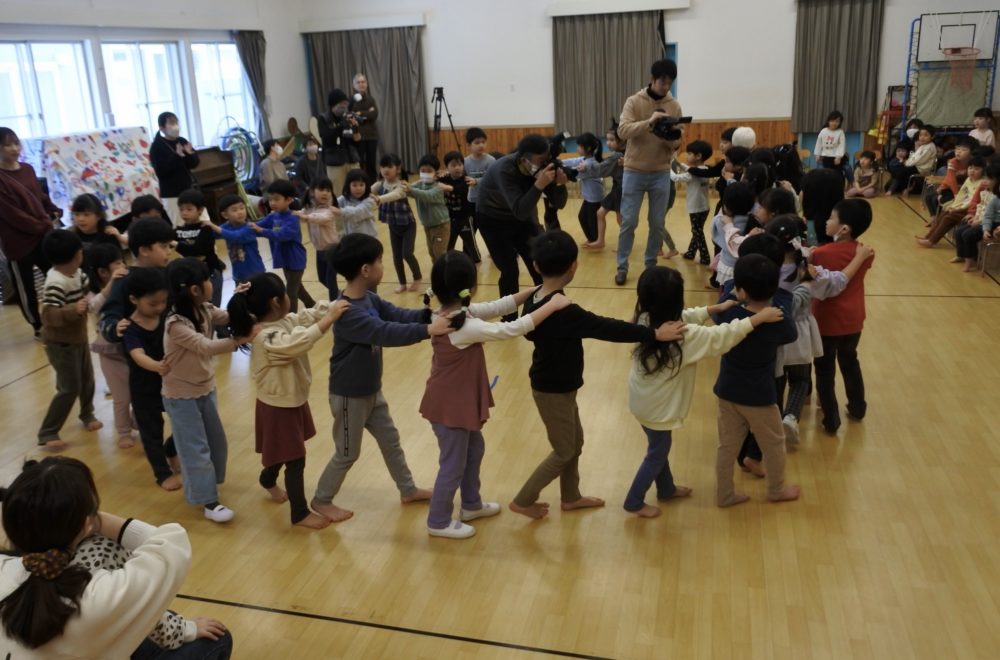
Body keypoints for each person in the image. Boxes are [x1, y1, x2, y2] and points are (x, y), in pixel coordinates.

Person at [509, 230, 685, 520]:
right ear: (574, 266)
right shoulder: (563, 310)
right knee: (564, 451)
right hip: (552, 390)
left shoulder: (537, 298)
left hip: (560, 384)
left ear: (536, 266)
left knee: (574, 444)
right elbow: (607, 328)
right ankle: (523, 500)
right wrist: (653, 333)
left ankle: (571, 497)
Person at [0, 456, 232, 658]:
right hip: (99, 624)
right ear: (87, 522)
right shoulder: (103, 594)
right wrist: (93, 520)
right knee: (217, 640)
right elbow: (171, 542)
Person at [420, 251, 570, 538]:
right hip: (449, 407)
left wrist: (537, 291)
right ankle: (437, 521)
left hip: (457, 402)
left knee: (474, 450)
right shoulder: (463, 325)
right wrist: (552, 305)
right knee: (452, 465)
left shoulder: (454, 313)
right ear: (470, 286)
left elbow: (498, 306)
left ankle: (471, 504)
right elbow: (511, 328)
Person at [310, 234, 452, 522]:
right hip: (349, 396)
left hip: (371, 391)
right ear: (365, 270)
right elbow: (384, 332)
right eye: (379, 261)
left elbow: (395, 314)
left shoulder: (369, 298)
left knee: (391, 441)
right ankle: (322, 500)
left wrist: (427, 316)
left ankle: (408, 490)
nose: (382, 265)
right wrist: (428, 330)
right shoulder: (347, 312)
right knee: (347, 453)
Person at [625, 266, 783, 517]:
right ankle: (634, 501)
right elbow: (721, 336)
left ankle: (666, 489)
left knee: (658, 447)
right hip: (657, 408)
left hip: (642, 401)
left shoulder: (644, 318)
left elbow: (684, 316)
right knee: (657, 453)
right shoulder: (684, 336)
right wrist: (757, 319)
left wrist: (713, 309)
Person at [227, 273, 350, 529]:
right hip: (277, 406)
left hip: (289, 399)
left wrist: (338, 302)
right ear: (276, 301)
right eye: (285, 294)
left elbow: (307, 316)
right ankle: (299, 513)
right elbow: (297, 342)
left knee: (282, 449)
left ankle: (267, 478)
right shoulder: (266, 336)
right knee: (295, 458)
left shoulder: (283, 321)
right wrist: (329, 319)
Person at [161, 258, 252, 522]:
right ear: (194, 289)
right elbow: (206, 346)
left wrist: (242, 299)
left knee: (216, 443)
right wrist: (241, 340)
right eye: (208, 280)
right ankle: (208, 501)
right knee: (196, 449)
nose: (212, 283)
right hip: (180, 396)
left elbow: (227, 316)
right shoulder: (176, 324)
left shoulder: (203, 308)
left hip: (205, 388)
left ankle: (189, 465)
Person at [713, 253, 801, 507]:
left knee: (727, 446)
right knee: (774, 443)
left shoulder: (729, 315)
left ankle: (724, 494)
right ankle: (776, 490)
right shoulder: (776, 321)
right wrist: (779, 302)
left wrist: (733, 290)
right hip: (759, 396)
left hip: (727, 391)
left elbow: (721, 307)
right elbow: (791, 333)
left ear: (741, 290)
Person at [476, 134, 568, 317]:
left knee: (540, 262)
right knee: (510, 270)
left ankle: (551, 311)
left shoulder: (539, 168)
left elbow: (559, 204)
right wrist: (539, 184)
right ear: (524, 159)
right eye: (541, 160)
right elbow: (520, 210)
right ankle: (509, 320)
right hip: (492, 220)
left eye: (547, 158)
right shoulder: (504, 169)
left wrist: (559, 185)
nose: (545, 163)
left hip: (520, 218)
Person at [614, 59, 683, 286]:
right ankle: (622, 267)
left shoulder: (674, 106)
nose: (666, 87)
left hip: (661, 171)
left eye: (670, 82)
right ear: (652, 79)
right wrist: (650, 122)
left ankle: (650, 266)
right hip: (634, 170)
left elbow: (678, 142)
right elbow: (623, 131)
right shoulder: (634, 101)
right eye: (663, 82)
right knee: (629, 221)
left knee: (657, 223)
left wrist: (669, 137)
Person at [811, 199, 875, 434]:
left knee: (824, 369)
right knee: (850, 361)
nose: (827, 221)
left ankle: (831, 419)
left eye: (831, 218)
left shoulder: (820, 253)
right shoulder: (866, 253)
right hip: (853, 318)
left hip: (827, 320)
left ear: (844, 228)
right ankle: (857, 407)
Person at [36, 230, 101, 450]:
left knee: (87, 379)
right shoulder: (55, 282)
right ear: (77, 254)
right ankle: (48, 431)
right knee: (69, 387)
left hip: (78, 338)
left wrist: (93, 300)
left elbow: (88, 294)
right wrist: (74, 309)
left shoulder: (78, 274)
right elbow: (48, 316)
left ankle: (87, 413)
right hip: (60, 344)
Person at [121, 267, 182, 491]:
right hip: (144, 389)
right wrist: (157, 366)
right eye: (152, 303)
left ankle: (171, 450)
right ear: (134, 300)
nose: (159, 307)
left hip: (171, 383)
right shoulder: (130, 328)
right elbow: (137, 355)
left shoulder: (167, 317)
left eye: (163, 302)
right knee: (151, 432)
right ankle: (162, 473)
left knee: (184, 422)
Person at [0, 126, 58, 337]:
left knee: (54, 275)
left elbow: (39, 196)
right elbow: (12, 214)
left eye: (16, 143)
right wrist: (42, 225)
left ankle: (58, 316)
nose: (14, 148)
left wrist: (52, 209)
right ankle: (38, 326)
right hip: (18, 243)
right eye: (7, 145)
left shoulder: (27, 169)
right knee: (26, 288)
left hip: (41, 237)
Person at [84, 243, 133, 449]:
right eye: (117, 263)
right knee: (121, 397)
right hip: (109, 352)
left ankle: (136, 421)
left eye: (122, 261)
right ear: (103, 272)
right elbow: (93, 306)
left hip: (131, 346)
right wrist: (112, 283)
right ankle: (123, 432)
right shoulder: (92, 292)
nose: (123, 266)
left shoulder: (126, 285)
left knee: (140, 391)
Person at [97, 217, 175, 345]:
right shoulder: (125, 279)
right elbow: (109, 315)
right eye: (164, 246)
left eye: (169, 246)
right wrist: (114, 329)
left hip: (172, 345)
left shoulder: (169, 273)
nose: (169, 252)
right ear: (144, 250)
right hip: (141, 350)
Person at [174, 189, 228, 337]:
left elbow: (198, 250)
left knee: (213, 308)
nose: (184, 213)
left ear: (200, 210)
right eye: (181, 209)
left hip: (211, 274)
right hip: (195, 278)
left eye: (189, 209)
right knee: (200, 308)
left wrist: (177, 245)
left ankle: (224, 335)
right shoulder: (178, 230)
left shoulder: (205, 228)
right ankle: (206, 337)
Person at [255, 180, 315, 312]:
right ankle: (312, 305)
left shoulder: (292, 218)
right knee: (297, 288)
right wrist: (243, 227)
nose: (272, 203)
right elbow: (258, 225)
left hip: (295, 260)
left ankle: (291, 318)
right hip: (285, 259)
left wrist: (261, 231)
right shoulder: (273, 216)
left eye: (276, 199)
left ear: (289, 200)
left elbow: (281, 235)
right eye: (270, 199)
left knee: (291, 292)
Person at [372, 153, 422, 292]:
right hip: (393, 226)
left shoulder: (402, 185)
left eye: (389, 166)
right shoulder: (380, 184)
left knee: (407, 253)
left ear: (398, 169)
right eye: (383, 167)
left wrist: (379, 198)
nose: (385, 170)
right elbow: (367, 191)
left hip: (407, 225)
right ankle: (402, 283)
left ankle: (417, 277)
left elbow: (395, 195)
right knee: (396, 256)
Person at [917, 156, 985, 247]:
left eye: (976, 169)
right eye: (970, 168)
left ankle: (932, 241)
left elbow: (973, 200)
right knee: (944, 213)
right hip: (961, 207)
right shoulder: (968, 179)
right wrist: (953, 205)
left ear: (983, 171)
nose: (972, 171)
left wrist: (957, 209)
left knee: (948, 218)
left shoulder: (982, 183)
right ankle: (928, 237)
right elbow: (961, 195)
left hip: (970, 210)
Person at [148, 112, 200, 223]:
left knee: (201, 222)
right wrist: (176, 156)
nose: (175, 126)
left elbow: (194, 164)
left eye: (176, 122)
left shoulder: (182, 141)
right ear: (162, 128)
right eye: (171, 123)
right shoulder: (157, 146)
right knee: (180, 225)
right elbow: (161, 171)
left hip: (188, 189)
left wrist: (190, 154)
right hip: (172, 194)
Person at [297, 178, 343, 298]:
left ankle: (335, 304)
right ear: (312, 192)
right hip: (319, 249)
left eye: (328, 190)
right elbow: (301, 215)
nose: (325, 193)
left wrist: (306, 217)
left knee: (330, 279)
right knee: (322, 279)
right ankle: (341, 295)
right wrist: (286, 214)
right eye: (321, 189)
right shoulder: (309, 208)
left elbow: (321, 218)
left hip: (333, 249)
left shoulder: (329, 209)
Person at [670, 140, 713, 264]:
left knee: (697, 232)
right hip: (705, 207)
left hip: (696, 208)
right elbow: (688, 168)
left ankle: (705, 257)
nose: (687, 156)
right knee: (697, 231)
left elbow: (675, 178)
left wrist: (668, 168)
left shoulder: (692, 174)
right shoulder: (705, 169)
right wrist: (678, 163)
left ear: (698, 156)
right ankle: (691, 253)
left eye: (689, 153)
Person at [559, 132, 605, 245]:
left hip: (594, 197)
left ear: (588, 148)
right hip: (590, 197)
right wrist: (559, 162)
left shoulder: (589, 164)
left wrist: (560, 169)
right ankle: (592, 239)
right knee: (583, 217)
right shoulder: (585, 159)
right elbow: (573, 161)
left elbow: (575, 173)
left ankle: (595, 240)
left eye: (579, 146)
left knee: (590, 219)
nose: (577, 148)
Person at [953, 163, 1000, 272]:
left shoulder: (995, 197)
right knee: (959, 232)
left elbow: (989, 216)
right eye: (985, 178)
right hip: (986, 222)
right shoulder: (987, 193)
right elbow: (984, 211)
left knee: (968, 234)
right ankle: (962, 255)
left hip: (994, 224)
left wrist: (982, 225)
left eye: (989, 179)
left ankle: (971, 261)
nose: (985, 181)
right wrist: (977, 219)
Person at [439, 151, 481, 263]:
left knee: (471, 245)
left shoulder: (466, 180)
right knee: (448, 245)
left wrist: (447, 188)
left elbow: (460, 189)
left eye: (460, 164)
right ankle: (448, 261)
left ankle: (476, 260)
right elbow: (434, 181)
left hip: (465, 218)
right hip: (450, 219)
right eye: (453, 165)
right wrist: (437, 177)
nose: (457, 168)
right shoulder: (445, 179)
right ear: (447, 167)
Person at [408, 154, 451, 262]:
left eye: (429, 171)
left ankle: (443, 271)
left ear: (436, 173)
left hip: (441, 225)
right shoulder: (419, 185)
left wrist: (411, 188)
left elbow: (427, 196)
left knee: (439, 253)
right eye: (423, 171)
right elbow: (408, 192)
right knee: (432, 253)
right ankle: (437, 270)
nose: (425, 173)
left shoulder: (439, 186)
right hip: (427, 225)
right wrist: (412, 185)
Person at [590, 124, 627, 250]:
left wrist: (588, 165)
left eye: (612, 140)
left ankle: (624, 245)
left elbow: (602, 170)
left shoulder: (618, 155)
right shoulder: (620, 154)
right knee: (600, 213)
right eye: (607, 139)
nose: (608, 143)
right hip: (617, 188)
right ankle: (600, 241)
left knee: (620, 219)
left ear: (622, 141)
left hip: (621, 190)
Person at [317, 89, 361, 196]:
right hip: (335, 162)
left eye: (345, 104)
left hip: (351, 159)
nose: (344, 107)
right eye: (341, 104)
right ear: (333, 104)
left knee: (357, 191)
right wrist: (341, 126)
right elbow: (327, 139)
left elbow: (357, 142)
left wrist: (355, 128)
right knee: (338, 193)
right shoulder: (323, 118)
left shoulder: (347, 117)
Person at [218, 194, 266, 283]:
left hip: (256, 273)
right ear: (225, 215)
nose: (240, 212)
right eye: (234, 210)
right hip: (238, 275)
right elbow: (210, 234)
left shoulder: (250, 227)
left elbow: (235, 236)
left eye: (242, 208)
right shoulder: (226, 227)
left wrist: (214, 227)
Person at [925, 136, 977, 215]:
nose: (958, 152)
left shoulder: (974, 163)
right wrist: (956, 194)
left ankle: (940, 216)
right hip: (952, 188)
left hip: (966, 189)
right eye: (957, 149)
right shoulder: (952, 162)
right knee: (928, 198)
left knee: (939, 200)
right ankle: (934, 218)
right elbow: (951, 180)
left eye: (963, 150)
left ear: (972, 152)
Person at [69, 193, 126, 260]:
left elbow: (118, 261)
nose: (80, 219)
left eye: (86, 214)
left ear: (99, 216)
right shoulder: (72, 238)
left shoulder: (108, 234)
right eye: (76, 214)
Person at [886, 125, 937, 196]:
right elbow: (914, 157)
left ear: (932, 136)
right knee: (897, 169)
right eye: (920, 135)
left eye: (926, 135)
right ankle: (899, 187)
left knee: (901, 172)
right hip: (916, 166)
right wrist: (906, 162)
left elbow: (919, 160)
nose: (922, 137)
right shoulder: (923, 146)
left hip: (921, 169)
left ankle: (905, 188)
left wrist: (906, 163)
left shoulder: (930, 147)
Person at [800, 167, 844, 245]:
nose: (801, 192)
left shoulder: (811, 222)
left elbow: (812, 243)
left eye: (804, 190)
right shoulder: (844, 220)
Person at [350, 73, 380, 180]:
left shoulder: (371, 99)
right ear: (354, 85)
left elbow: (374, 114)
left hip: (372, 135)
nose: (361, 84)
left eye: (363, 82)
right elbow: (353, 116)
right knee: (360, 162)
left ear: (366, 84)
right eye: (358, 82)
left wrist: (361, 113)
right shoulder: (351, 101)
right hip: (358, 136)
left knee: (372, 162)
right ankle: (361, 183)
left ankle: (373, 184)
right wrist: (367, 112)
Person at [338, 168, 378, 239]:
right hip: (351, 238)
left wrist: (339, 210)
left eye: (361, 185)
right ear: (348, 186)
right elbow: (333, 203)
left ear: (366, 186)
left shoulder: (369, 201)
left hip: (368, 239)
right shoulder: (344, 198)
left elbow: (356, 212)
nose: (358, 188)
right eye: (354, 185)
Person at [293, 134, 326, 200]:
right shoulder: (301, 162)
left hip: (321, 187)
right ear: (305, 148)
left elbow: (325, 173)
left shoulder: (321, 158)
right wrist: (308, 188)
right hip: (307, 191)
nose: (313, 146)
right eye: (310, 145)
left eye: (314, 144)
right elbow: (298, 179)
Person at [814, 110, 846, 175]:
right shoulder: (823, 131)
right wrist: (817, 154)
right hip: (825, 157)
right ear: (828, 121)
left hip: (836, 158)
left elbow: (842, 145)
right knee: (826, 174)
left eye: (837, 121)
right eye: (832, 121)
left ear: (840, 123)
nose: (834, 123)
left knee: (836, 174)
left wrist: (839, 157)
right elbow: (819, 143)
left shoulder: (840, 132)